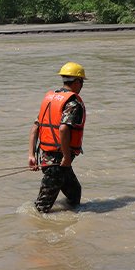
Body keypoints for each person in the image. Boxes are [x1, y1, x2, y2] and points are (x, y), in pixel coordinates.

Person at [28, 62, 87, 213]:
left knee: (75, 194)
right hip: (57, 163)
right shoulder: (73, 103)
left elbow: (35, 127)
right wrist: (67, 156)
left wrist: (32, 155)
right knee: (41, 209)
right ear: (76, 81)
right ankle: (37, 233)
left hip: (48, 157)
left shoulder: (51, 99)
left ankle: (67, 225)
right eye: (82, 82)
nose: (82, 86)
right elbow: (63, 128)